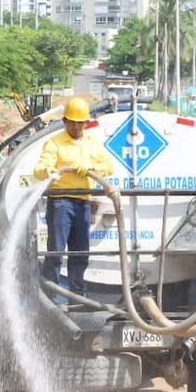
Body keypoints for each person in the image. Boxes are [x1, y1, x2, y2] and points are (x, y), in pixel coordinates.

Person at [33, 97, 114, 295]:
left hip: (83, 203)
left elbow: (109, 167)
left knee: (80, 253)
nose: (77, 126)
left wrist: (92, 168)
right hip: (61, 202)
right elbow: (40, 169)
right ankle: (49, 293)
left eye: (81, 122)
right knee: (57, 252)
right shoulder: (54, 143)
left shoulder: (91, 143)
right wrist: (49, 170)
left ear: (86, 123)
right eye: (73, 122)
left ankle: (77, 295)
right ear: (65, 121)